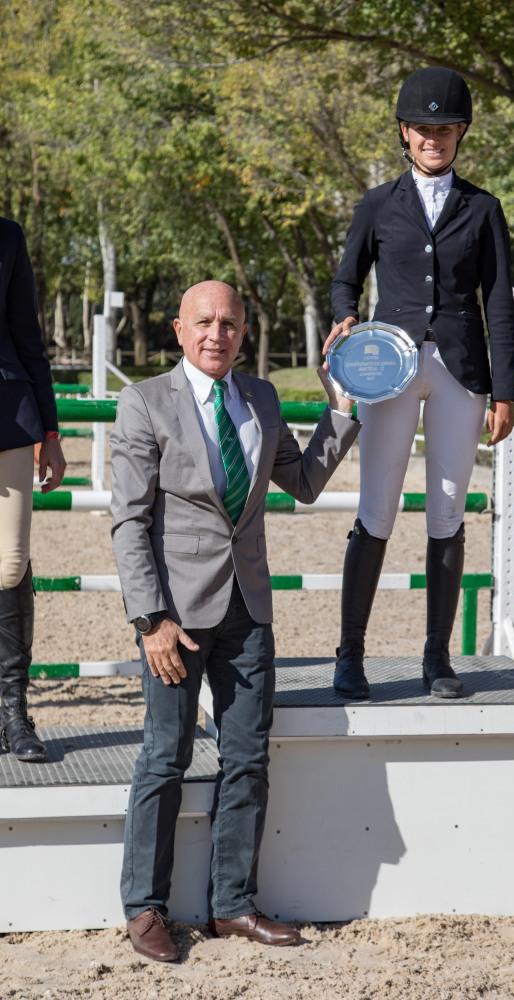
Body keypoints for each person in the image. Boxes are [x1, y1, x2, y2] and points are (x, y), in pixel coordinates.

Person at [110, 280, 359, 962]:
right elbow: (129, 523)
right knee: (166, 756)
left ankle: (231, 906)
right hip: (175, 617)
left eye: (229, 322)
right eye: (204, 322)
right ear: (178, 329)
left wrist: (340, 407)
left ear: (243, 331)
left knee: (247, 759)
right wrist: (150, 619)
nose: (217, 333)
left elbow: (303, 483)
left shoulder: (262, 399)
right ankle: (145, 906)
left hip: (249, 609)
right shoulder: (143, 401)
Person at [323, 66, 514, 701]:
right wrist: (346, 317)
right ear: (405, 133)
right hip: (392, 365)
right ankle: (349, 654)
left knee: (447, 509)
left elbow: (500, 303)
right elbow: (345, 277)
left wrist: (506, 388)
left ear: (461, 132)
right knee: (376, 507)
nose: (434, 137)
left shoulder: (483, 208)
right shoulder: (379, 203)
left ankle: (437, 657)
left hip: (461, 373)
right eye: (423, 128)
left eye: (446, 127)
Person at [0, 216, 66, 763]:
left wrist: (50, 429)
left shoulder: (8, 235)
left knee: (9, 563)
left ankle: (13, 713)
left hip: (8, 413)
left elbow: (27, 336)